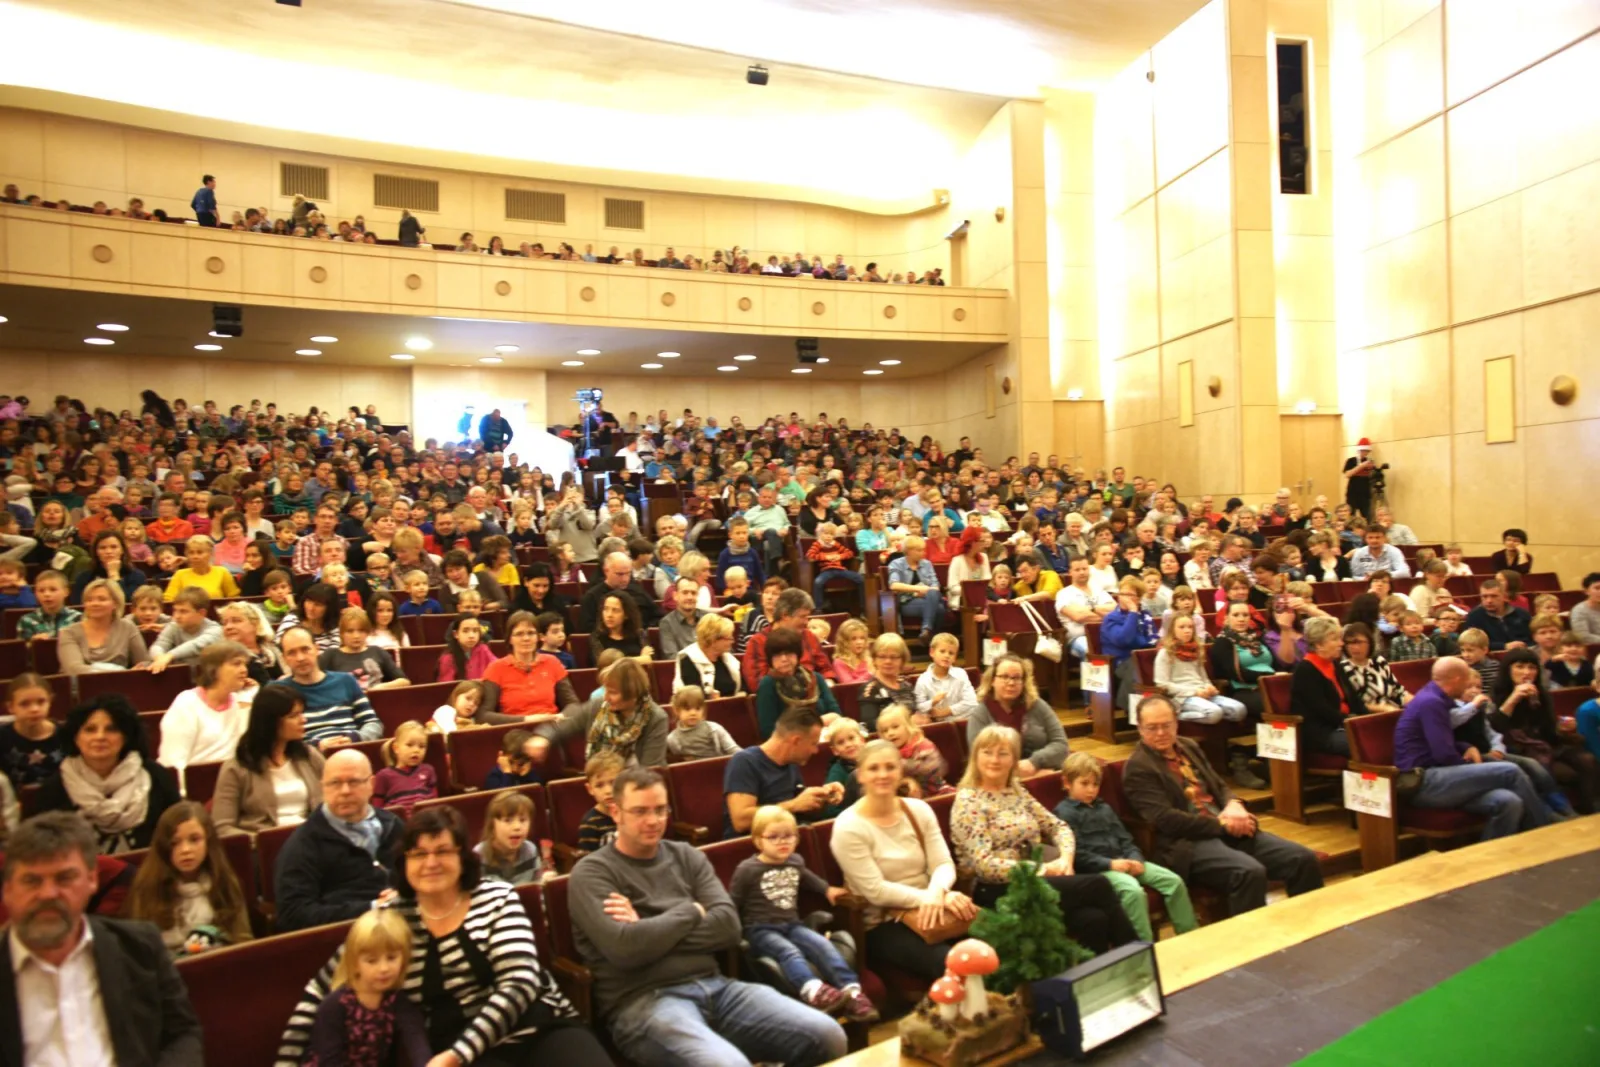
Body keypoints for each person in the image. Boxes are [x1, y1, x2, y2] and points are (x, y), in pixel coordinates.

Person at [282, 805, 608, 1065]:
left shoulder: (497, 897)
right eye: (419, 854)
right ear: (404, 863)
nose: (431, 863)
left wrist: (456, 1056)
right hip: (460, 1053)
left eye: (443, 851)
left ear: (462, 857)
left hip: (536, 1027)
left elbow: (520, 984)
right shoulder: (390, 917)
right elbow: (321, 990)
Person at [569, 766, 847, 1067]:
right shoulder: (591, 872)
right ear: (615, 811)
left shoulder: (687, 856)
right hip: (644, 1003)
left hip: (717, 987)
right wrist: (692, 911)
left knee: (828, 1035)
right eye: (639, 811)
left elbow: (728, 927)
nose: (653, 820)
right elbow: (625, 949)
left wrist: (647, 929)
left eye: (661, 810)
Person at [0, 811, 204, 1063]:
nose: (48, 894)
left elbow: (183, 1035)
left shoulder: (139, 947)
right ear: (7, 890)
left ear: (92, 880)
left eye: (65, 878)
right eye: (32, 881)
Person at [1121, 695, 1323, 917]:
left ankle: (1309, 928)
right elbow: (1167, 820)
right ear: (1140, 728)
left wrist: (1235, 804)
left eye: (1166, 725)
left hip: (1225, 827)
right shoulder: (1138, 767)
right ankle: (1253, 946)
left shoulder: (1188, 746)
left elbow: (1218, 784)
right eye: (1152, 728)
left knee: (1302, 859)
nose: (1160, 733)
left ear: (1176, 723)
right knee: (1248, 872)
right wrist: (1222, 825)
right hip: (1188, 843)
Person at [951, 726, 1137, 954]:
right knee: (1098, 885)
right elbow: (984, 866)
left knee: (1094, 919)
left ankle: (1094, 984)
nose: (994, 760)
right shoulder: (969, 800)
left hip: (1033, 880)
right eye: (987, 752)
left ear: (1014, 760)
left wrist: (1066, 859)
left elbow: (1057, 826)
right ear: (975, 756)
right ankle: (1138, 959)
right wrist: (1045, 870)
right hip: (994, 889)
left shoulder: (1015, 791)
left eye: (1003, 753)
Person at [830, 739, 977, 980]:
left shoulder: (918, 809)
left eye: (890, 767)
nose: (883, 775)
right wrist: (932, 898)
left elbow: (942, 863)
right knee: (952, 965)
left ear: (901, 771)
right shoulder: (848, 826)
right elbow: (875, 890)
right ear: (860, 775)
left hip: (936, 905)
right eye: (873, 768)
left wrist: (938, 892)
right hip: (884, 922)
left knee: (1000, 942)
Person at [732, 805, 876, 1020]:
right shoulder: (747, 869)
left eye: (788, 836)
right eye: (773, 837)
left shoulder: (795, 861)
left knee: (823, 946)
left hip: (792, 924)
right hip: (760, 930)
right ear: (758, 841)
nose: (782, 842)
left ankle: (852, 992)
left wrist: (827, 889)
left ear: (796, 839)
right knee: (789, 952)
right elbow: (733, 901)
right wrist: (733, 931)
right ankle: (814, 990)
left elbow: (807, 878)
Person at [1395, 657, 1554, 839]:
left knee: (1509, 802)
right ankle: (1544, 833)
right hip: (1424, 781)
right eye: (1466, 681)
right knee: (1510, 771)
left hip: (1440, 776)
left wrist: (1466, 746)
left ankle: (1492, 858)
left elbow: (1439, 740)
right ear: (1456, 679)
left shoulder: (1435, 698)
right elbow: (1443, 754)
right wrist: (1474, 768)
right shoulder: (1431, 702)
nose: (1467, 687)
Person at [1055, 753, 1197, 941]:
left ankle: (1190, 938)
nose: (1091, 790)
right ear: (1067, 783)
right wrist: (1111, 864)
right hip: (1099, 871)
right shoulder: (1064, 813)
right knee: (1133, 891)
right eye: (1084, 783)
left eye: (1095, 784)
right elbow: (1078, 855)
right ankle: (1143, 951)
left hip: (1126, 861)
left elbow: (1125, 838)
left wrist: (1136, 859)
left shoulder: (1104, 808)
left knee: (1173, 881)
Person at [272, 748, 405, 932]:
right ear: (323, 788)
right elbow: (293, 914)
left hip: (402, 926)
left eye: (354, 781)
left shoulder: (393, 825)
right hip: (342, 939)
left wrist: (404, 896)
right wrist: (372, 908)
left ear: (372, 784)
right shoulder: (302, 845)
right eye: (334, 783)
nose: (344, 791)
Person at [35, 693, 181, 854]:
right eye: (90, 730)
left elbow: (178, 831)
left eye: (111, 729)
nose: (100, 736)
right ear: (75, 737)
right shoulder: (54, 789)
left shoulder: (155, 776)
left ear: (126, 736)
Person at [123, 801, 253, 954]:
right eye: (175, 843)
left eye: (194, 839)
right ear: (164, 847)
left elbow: (242, 940)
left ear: (208, 841)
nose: (185, 850)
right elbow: (139, 952)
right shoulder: (146, 888)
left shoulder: (225, 882)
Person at [303, 908, 430, 1065]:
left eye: (391, 958)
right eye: (371, 961)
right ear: (355, 963)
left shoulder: (398, 1002)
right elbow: (329, 1060)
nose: (384, 968)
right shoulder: (334, 1006)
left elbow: (417, 1042)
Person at [1490, 648, 1597, 814]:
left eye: (1532, 668)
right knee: (1554, 769)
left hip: (1545, 743)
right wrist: (1514, 699)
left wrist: (1562, 726)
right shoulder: (1497, 694)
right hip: (1519, 749)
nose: (1527, 672)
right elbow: (1495, 728)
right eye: (1520, 667)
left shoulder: (1541, 694)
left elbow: (1548, 730)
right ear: (1508, 669)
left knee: (1586, 759)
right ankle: (1559, 813)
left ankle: (1589, 810)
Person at [212, 683, 325, 834]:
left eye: (301, 713)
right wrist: (260, 841)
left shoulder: (309, 756)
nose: (303, 720)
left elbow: (334, 801)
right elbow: (222, 826)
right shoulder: (236, 768)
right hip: (264, 847)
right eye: (293, 716)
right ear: (270, 722)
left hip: (311, 839)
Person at [526, 658, 669, 770]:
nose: (606, 697)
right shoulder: (598, 705)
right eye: (605, 690)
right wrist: (543, 738)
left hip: (637, 790)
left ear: (632, 694)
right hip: (600, 783)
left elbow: (650, 772)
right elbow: (561, 727)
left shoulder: (656, 718)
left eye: (612, 692)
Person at [724, 708, 838, 838]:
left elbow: (800, 806)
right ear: (796, 741)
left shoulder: (790, 762)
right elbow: (741, 821)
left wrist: (824, 796)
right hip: (755, 847)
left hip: (787, 837)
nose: (815, 751)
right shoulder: (744, 762)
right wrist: (793, 805)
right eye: (813, 744)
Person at [158, 639, 254, 784]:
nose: (244, 670)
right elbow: (173, 761)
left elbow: (248, 755)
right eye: (236, 664)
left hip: (232, 786)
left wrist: (249, 700)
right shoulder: (187, 703)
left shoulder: (240, 703)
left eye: (244, 664)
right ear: (214, 670)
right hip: (195, 789)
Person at [279, 627, 383, 749]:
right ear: (284, 658)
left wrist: (354, 738)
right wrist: (314, 747)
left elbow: (373, 723)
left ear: (316, 649)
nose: (300, 658)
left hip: (351, 752)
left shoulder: (346, 681)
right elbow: (274, 740)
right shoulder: (278, 692)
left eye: (305, 649)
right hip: (306, 760)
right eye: (291, 653)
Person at [965, 654, 1069, 774]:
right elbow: (980, 757)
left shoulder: (1038, 705)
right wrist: (1021, 773)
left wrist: (1034, 762)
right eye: (1004, 677)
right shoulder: (980, 714)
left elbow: (1061, 745)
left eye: (1017, 678)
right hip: (997, 778)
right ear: (992, 680)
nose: (1011, 683)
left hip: (1043, 769)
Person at [1289, 616, 1373, 757]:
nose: (1341, 644)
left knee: (1384, 734)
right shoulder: (1305, 671)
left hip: (1345, 723)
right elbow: (1322, 709)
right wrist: (1352, 722)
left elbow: (1354, 699)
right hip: (1322, 732)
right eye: (1335, 639)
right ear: (1318, 645)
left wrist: (1368, 719)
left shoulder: (1334, 664)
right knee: (1367, 742)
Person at [478, 611, 581, 721]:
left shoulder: (552, 662)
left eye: (531, 633)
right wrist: (526, 720)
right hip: (515, 730)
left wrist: (560, 717)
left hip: (552, 727)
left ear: (538, 637)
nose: (526, 638)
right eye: (519, 634)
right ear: (510, 639)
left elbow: (573, 705)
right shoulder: (496, 668)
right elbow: (484, 715)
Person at [1156, 614, 1248, 725]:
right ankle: (1174, 715)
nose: (1187, 630)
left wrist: (1209, 687)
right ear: (1172, 630)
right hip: (1182, 697)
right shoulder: (1165, 653)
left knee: (1239, 710)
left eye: (1190, 627)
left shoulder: (1196, 650)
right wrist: (1194, 692)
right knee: (1214, 713)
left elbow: (1203, 679)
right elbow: (1162, 684)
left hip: (1203, 693)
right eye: (1182, 627)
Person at [754, 628, 841, 740]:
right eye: (777, 655)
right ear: (770, 659)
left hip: (825, 738)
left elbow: (837, 714)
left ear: (797, 655)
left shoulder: (815, 678)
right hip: (790, 744)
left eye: (789, 653)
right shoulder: (768, 684)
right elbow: (768, 730)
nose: (784, 659)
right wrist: (819, 722)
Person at [58, 578, 150, 673]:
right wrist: (120, 674)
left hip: (121, 686)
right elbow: (74, 668)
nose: (94, 603)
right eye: (89, 600)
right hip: (83, 686)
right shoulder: (68, 633)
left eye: (102, 599)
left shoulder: (127, 627)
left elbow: (143, 663)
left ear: (115, 603)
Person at [577, 551, 662, 635]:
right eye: (620, 574)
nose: (625, 579)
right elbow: (588, 629)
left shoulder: (637, 590)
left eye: (628, 573)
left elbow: (657, 616)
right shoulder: (592, 597)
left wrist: (643, 632)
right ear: (606, 571)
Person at [476, 790, 551, 886]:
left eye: (522, 820)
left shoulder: (530, 849)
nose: (517, 827)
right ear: (492, 825)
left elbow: (537, 888)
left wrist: (544, 882)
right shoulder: (478, 856)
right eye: (508, 820)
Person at [913, 633, 980, 722]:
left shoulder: (961, 674)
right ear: (932, 652)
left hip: (963, 720)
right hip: (937, 725)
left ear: (955, 658)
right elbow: (918, 707)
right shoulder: (923, 680)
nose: (947, 656)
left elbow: (971, 701)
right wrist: (933, 701)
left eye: (951, 653)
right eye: (942, 651)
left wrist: (944, 712)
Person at [674, 612, 743, 698]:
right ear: (713, 640)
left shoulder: (728, 658)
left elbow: (744, 687)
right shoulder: (688, 660)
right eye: (728, 638)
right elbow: (695, 697)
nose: (732, 641)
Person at [666, 686, 739, 759]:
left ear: (703, 709)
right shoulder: (672, 739)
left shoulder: (714, 729)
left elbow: (735, 752)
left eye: (698, 708)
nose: (693, 713)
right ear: (677, 711)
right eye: (687, 709)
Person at [1462, 578, 1533, 651]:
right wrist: (1503, 646)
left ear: (1504, 597)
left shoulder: (1522, 614)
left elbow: (1534, 638)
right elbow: (1472, 643)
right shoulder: (1474, 616)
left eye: (1494, 596)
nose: (1489, 601)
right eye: (1485, 596)